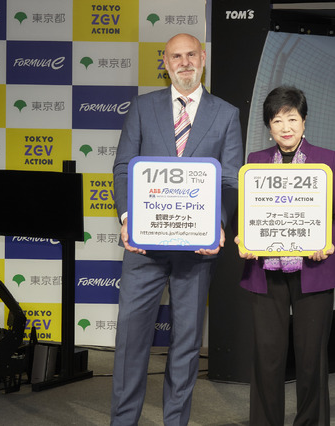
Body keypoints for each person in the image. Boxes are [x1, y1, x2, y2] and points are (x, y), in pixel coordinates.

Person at [111, 33, 243, 425]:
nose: (184, 62)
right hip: (143, 248)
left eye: (191, 55)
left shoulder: (226, 113)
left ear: (203, 58)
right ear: (165, 63)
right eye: (175, 56)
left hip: (196, 252)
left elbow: (231, 179)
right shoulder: (141, 107)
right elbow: (123, 167)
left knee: (185, 348)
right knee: (130, 344)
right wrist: (126, 217)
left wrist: (218, 223)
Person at [235, 86, 335, 425]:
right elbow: (245, 217)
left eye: (292, 118)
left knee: (310, 362)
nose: (285, 127)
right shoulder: (255, 162)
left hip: (313, 272)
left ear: (304, 122)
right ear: (268, 126)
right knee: (267, 361)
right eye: (277, 120)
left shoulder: (327, 159)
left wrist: (329, 242)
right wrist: (242, 237)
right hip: (265, 273)